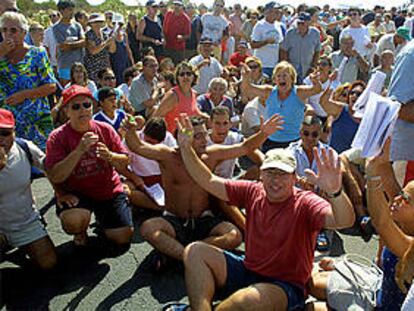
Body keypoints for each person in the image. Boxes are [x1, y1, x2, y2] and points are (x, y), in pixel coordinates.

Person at [169, 114, 355, 311]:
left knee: (247, 300)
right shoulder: (253, 190)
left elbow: (344, 220)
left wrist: (335, 192)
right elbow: (208, 180)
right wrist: (186, 148)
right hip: (249, 269)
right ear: (261, 174)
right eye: (270, 173)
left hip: (286, 286)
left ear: (294, 178)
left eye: (282, 174)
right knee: (195, 252)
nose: (276, 180)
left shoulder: (305, 202)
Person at [124, 112, 284, 271]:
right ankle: (190, 256)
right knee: (148, 228)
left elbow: (245, 147)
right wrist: (130, 129)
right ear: (183, 137)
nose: (205, 139)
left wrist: (263, 133)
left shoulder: (211, 154)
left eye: (204, 134)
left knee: (233, 235)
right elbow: (137, 146)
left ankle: (178, 255)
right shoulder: (167, 155)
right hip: (174, 219)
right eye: (198, 136)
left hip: (204, 220)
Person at [44, 85, 134, 247]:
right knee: (73, 222)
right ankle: (81, 231)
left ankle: (103, 220)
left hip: (107, 190)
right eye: (76, 106)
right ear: (66, 111)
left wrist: (110, 156)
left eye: (87, 105)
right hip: (77, 193)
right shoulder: (57, 137)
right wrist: (79, 150)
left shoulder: (105, 129)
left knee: (122, 237)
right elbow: (55, 175)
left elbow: (126, 160)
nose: (82, 110)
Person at [0, 109, 57, 270]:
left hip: (24, 222)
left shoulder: (24, 147)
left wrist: (61, 193)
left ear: (13, 132)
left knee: (48, 263)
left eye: (4, 133)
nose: (0, 139)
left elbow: (51, 169)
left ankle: (24, 243)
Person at [0, 12, 56, 151]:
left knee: (40, 164)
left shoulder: (37, 54)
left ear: (24, 33)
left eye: (13, 30)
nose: (8, 34)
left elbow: (51, 86)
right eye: (4, 30)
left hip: (35, 122)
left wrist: (24, 94)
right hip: (6, 125)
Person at [241, 61, 322, 152]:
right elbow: (248, 89)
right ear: (274, 80)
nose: (281, 78)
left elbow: (316, 90)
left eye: (284, 75)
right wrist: (245, 77)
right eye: (278, 76)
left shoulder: (299, 92)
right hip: (271, 141)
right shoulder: (268, 92)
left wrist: (315, 81)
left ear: (292, 78)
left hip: (294, 142)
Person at [123, 117, 177, 211]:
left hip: (163, 179)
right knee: (125, 191)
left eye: (155, 144)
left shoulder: (169, 138)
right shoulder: (132, 138)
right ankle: (161, 208)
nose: (151, 147)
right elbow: (122, 164)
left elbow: (175, 162)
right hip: (139, 178)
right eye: (148, 142)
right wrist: (134, 178)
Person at [153, 61, 205, 134]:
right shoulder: (173, 95)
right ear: (177, 78)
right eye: (182, 74)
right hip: (173, 139)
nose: (185, 77)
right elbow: (156, 117)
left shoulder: (193, 93)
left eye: (188, 74)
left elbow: (195, 112)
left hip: (188, 135)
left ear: (194, 76)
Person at [320, 80, 365, 154]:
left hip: (354, 162)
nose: (354, 96)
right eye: (351, 93)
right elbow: (323, 102)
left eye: (358, 94)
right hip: (334, 160)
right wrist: (330, 83)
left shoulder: (368, 117)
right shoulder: (341, 109)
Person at [280, 12, 321, 84]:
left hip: (307, 68)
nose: (300, 26)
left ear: (309, 23)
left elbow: (317, 51)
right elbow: (284, 50)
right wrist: (286, 67)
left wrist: (313, 67)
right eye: (298, 23)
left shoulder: (315, 33)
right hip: (292, 68)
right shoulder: (290, 33)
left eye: (302, 23)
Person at [53, 0, 85, 84]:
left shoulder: (77, 25)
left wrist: (71, 44)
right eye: (69, 10)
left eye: (72, 10)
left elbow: (84, 41)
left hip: (79, 65)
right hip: (65, 66)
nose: (72, 12)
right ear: (61, 11)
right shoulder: (56, 27)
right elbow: (64, 47)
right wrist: (78, 43)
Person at [251, 1, 284, 78]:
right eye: (273, 11)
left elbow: (280, 43)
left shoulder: (279, 25)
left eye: (277, 11)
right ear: (267, 12)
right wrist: (266, 41)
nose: (276, 13)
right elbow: (253, 45)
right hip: (262, 64)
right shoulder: (260, 25)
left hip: (274, 64)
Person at [84, 13, 115, 83]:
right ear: (90, 24)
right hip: (93, 68)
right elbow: (93, 51)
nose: (98, 24)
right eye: (95, 22)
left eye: (100, 21)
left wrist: (112, 41)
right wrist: (106, 43)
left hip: (105, 67)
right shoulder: (89, 34)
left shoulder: (105, 34)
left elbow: (112, 50)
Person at [163, 0, 191, 65]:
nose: (176, 7)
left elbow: (188, 35)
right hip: (167, 47)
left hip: (178, 49)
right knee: (166, 67)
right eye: (175, 5)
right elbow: (164, 29)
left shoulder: (186, 19)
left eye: (178, 5)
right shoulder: (168, 14)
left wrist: (182, 37)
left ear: (182, 7)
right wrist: (163, 38)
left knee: (177, 67)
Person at [109, 18, 134, 84]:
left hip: (125, 63)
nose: (118, 26)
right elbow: (111, 50)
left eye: (120, 24)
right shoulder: (110, 36)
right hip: (116, 63)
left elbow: (128, 50)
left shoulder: (124, 35)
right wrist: (113, 35)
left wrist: (132, 63)